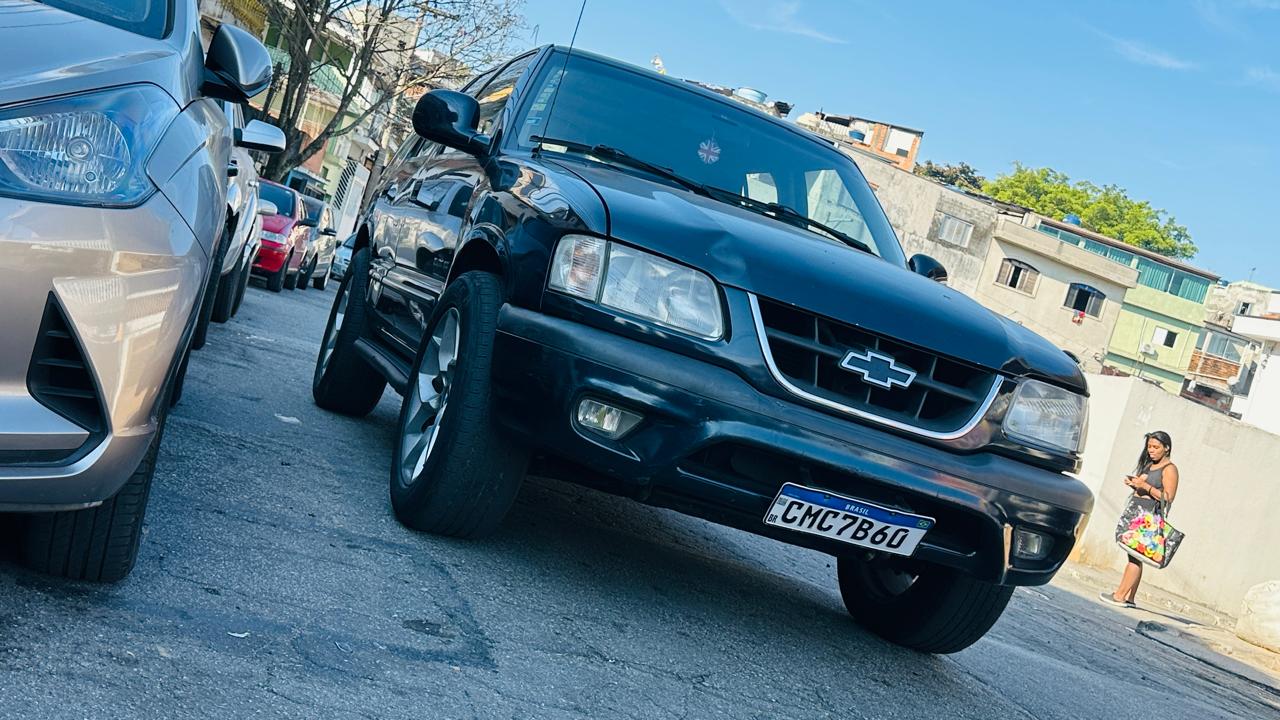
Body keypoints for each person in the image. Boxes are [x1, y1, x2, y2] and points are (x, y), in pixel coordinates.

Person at [1100, 431, 1179, 609]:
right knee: (1135, 554)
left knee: (1134, 556)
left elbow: (1168, 497)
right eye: (1149, 446)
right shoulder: (1150, 465)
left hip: (1148, 517)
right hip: (1136, 512)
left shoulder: (1169, 469)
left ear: (1166, 448)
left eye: (1156, 447)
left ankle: (1119, 596)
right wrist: (1135, 484)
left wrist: (1145, 486)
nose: (1151, 450)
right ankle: (1130, 597)